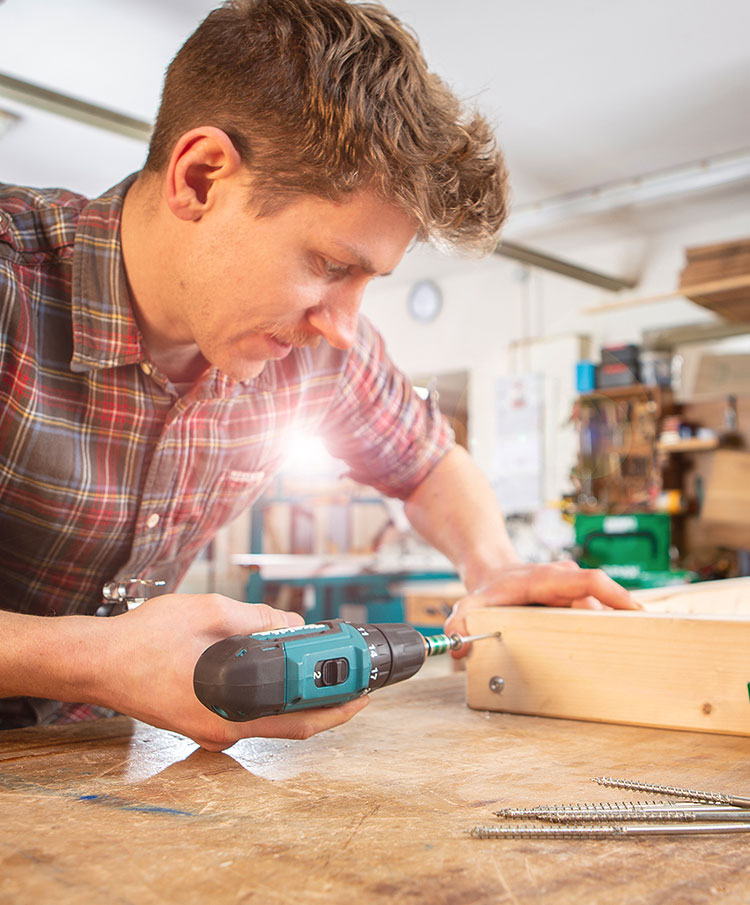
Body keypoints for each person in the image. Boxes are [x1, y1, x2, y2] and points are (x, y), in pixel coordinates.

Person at [0, 0, 635, 750]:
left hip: (87, 767)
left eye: (369, 279)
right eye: (330, 265)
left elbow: (429, 462)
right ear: (201, 178)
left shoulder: (319, 349)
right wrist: (96, 660)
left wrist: (492, 566)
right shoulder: (12, 286)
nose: (341, 323)